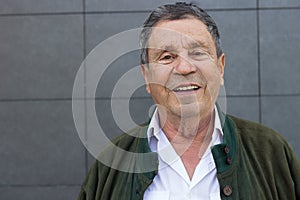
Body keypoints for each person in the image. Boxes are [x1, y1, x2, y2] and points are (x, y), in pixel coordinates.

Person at [78, 2, 300, 200]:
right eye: (167, 57)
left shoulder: (271, 152)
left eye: (197, 53)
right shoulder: (111, 163)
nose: (185, 68)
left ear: (220, 67)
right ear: (146, 76)